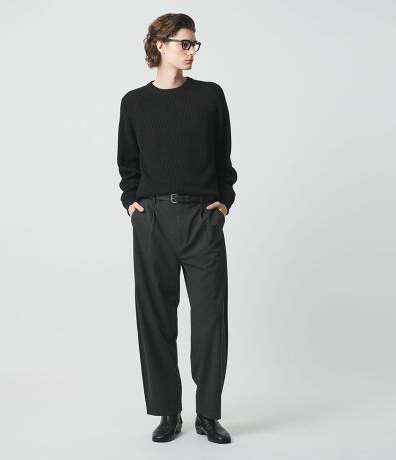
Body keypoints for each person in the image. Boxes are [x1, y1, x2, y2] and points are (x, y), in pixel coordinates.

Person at [117, 13, 238, 444]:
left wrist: (223, 203)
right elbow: (128, 164)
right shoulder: (134, 102)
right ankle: (168, 412)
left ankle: (208, 414)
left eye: (193, 44)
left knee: (210, 319)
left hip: (201, 219)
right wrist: (131, 204)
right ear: (160, 45)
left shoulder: (209, 96)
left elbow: (223, 159)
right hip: (152, 220)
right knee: (154, 318)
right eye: (184, 43)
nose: (191, 51)